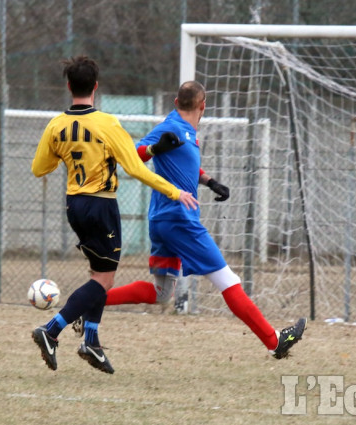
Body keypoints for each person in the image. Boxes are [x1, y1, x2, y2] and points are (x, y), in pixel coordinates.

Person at [76, 81, 306, 359]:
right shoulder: (170, 128)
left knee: (161, 293)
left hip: (165, 219)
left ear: (176, 102)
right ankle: (274, 342)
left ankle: (86, 303)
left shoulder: (185, 130)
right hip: (178, 219)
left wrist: (210, 181)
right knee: (227, 279)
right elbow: (132, 157)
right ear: (203, 105)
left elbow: (183, 164)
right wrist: (154, 149)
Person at [31, 56, 198, 374]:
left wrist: (62, 156)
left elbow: (40, 168)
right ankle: (51, 330)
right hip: (101, 206)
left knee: (99, 275)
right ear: (96, 87)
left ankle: (91, 341)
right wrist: (174, 191)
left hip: (74, 205)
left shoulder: (56, 125)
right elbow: (135, 169)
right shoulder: (107, 124)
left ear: (69, 86)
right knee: (104, 279)